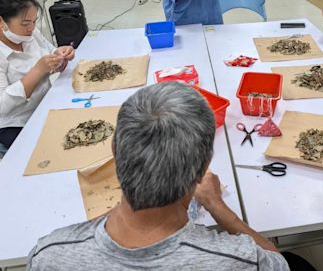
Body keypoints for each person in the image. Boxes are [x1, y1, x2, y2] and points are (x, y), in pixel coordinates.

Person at [27, 82, 290, 270]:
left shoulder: (48, 255)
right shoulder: (240, 260)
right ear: (203, 168)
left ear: (115, 152)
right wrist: (217, 205)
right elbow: (278, 263)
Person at [0, 0, 74, 154]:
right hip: (14, 123)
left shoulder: (30, 33)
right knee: (52, 151)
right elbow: (2, 106)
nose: (31, 28)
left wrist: (60, 55)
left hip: (44, 105)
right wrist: (38, 71)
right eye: (25, 23)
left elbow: (49, 51)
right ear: (1, 22)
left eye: (34, 21)